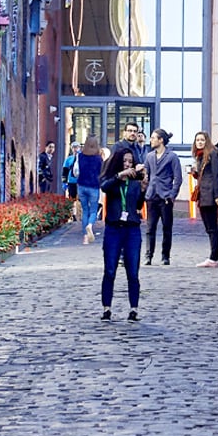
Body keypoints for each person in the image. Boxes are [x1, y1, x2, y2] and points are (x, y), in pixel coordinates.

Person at [98, 136, 147, 320]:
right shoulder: (113, 180)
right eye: (125, 161)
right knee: (110, 269)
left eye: (130, 161)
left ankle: (134, 309)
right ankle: (106, 308)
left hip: (132, 229)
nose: (128, 164)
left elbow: (138, 205)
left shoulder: (135, 182)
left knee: (132, 271)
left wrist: (143, 189)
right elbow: (104, 187)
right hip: (113, 229)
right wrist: (120, 176)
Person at [141, 129, 182, 266]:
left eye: (153, 138)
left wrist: (172, 195)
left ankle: (165, 256)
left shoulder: (172, 157)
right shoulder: (149, 156)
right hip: (152, 196)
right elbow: (146, 174)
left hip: (165, 196)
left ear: (161, 140)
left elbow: (178, 178)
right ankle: (148, 255)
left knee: (166, 228)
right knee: (150, 228)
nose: (151, 140)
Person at [189, 131, 218, 266]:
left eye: (202, 140)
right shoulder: (200, 157)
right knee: (209, 227)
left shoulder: (212, 154)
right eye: (197, 140)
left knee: (212, 227)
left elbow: (216, 175)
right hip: (203, 194)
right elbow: (204, 175)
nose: (199, 142)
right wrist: (195, 173)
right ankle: (213, 257)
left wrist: (217, 196)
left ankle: (213, 257)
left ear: (207, 141)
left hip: (210, 194)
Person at [76, 134, 104, 242]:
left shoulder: (80, 156)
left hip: (81, 185)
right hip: (94, 186)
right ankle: (90, 225)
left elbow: (76, 171)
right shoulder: (98, 158)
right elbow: (101, 172)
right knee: (93, 210)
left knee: (85, 210)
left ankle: (85, 235)